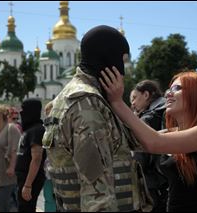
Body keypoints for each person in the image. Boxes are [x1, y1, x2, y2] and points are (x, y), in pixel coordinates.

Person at [42, 25, 152, 212]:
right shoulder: (86, 104)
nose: (123, 72)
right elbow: (96, 191)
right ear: (107, 60)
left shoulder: (74, 96)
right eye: (121, 61)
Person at [100, 68, 197, 211]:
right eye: (169, 89)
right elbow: (135, 140)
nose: (168, 93)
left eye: (177, 88)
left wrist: (117, 101)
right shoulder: (177, 132)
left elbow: (153, 142)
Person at [130, 80, 168, 212]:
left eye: (135, 98)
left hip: (155, 184)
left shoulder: (147, 118)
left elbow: (140, 161)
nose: (133, 103)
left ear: (146, 95)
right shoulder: (167, 108)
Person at [15, 98, 46, 212]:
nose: (21, 112)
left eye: (23, 109)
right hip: (23, 178)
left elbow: (37, 158)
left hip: (30, 179)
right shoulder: (30, 130)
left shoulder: (37, 130)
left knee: (26, 209)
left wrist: (28, 185)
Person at [0, 104, 20, 212]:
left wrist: (12, 167)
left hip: (7, 176)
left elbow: (15, 149)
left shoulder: (11, 128)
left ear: (0, 115)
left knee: (6, 205)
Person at [42, 101, 56, 212]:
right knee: (49, 199)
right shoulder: (45, 128)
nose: (48, 115)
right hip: (48, 172)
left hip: (58, 171)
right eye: (47, 112)